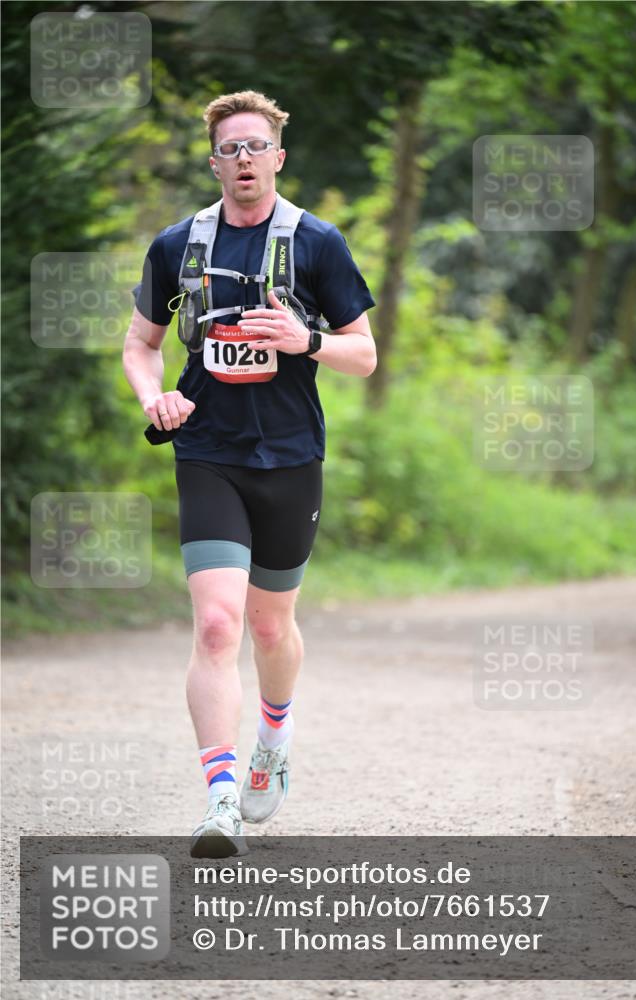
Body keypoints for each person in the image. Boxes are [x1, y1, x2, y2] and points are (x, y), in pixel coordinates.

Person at [122, 90, 376, 857]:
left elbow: (363, 354)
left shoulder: (316, 243)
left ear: (276, 158)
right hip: (208, 453)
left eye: (254, 146)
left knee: (270, 625)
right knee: (217, 624)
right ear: (213, 161)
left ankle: (274, 733)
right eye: (228, 148)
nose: (242, 159)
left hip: (291, 456)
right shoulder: (177, 245)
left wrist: (305, 340)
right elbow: (140, 344)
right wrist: (155, 394)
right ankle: (220, 797)